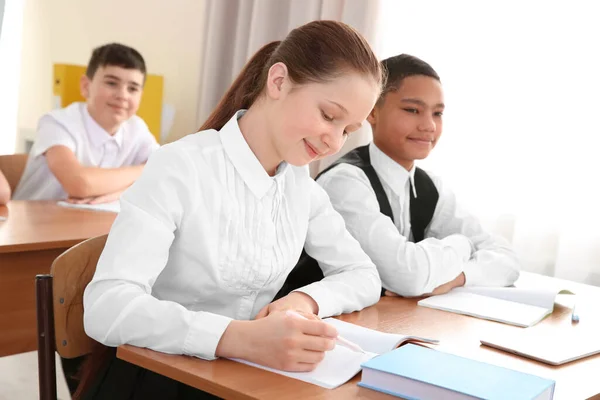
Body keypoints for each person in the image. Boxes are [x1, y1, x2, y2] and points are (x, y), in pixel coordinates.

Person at [77, 21, 385, 399]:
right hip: (160, 380)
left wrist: (304, 300)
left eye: (348, 131)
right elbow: (106, 307)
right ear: (278, 82)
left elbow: (363, 275)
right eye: (328, 116)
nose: (334, 141)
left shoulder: (299, 184)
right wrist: (236, 338)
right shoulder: (180, 166)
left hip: (241, 378)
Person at [316, 54, 520, 298]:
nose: (429, 126)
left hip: (391, 321)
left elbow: (506, 259)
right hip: (323, 323)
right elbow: (408, 276)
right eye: (412, 110)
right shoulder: (345, 183)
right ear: (371, 112)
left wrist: (458, 278)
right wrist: (463, 244)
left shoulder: (429, 185)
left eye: (437, 114)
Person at [12, 43, 158, 203]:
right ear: (86, 86)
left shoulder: (136, 128)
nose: (122, 95)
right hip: (36, 223)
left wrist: (117, 194)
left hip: (93, 222)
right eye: (111, 83)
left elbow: (166, 174)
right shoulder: (57, 123)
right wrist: (143, 170)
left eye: (133, 89)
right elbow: (79, 184)